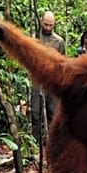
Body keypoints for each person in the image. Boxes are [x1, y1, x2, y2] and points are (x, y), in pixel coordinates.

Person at [31, 10, 66, 142]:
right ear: (41, 21)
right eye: (45, 24)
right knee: (35, 112)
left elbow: (62, 62)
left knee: (53, 111)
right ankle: (35, 141)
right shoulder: (34, 37)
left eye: (50, 25)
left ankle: (52, 142)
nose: (47, 27)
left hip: (52, 81)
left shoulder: (59, 41)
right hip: (37, 80)